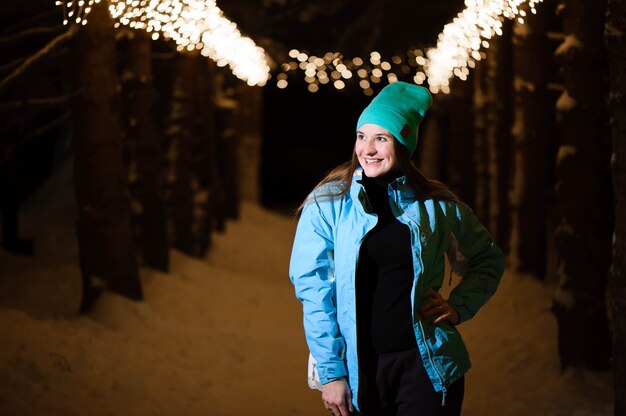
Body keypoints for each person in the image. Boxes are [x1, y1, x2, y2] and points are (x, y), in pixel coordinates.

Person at [289, 81, 505, 416]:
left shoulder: (436, 206)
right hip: (362, 372)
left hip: (426, 369)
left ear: (403, 144)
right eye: (362, 136)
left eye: (381, 138)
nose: (368, 149)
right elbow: (313, 290)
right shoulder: (328, 203)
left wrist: (458, 306)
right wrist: (332, 373)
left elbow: (487, 260)